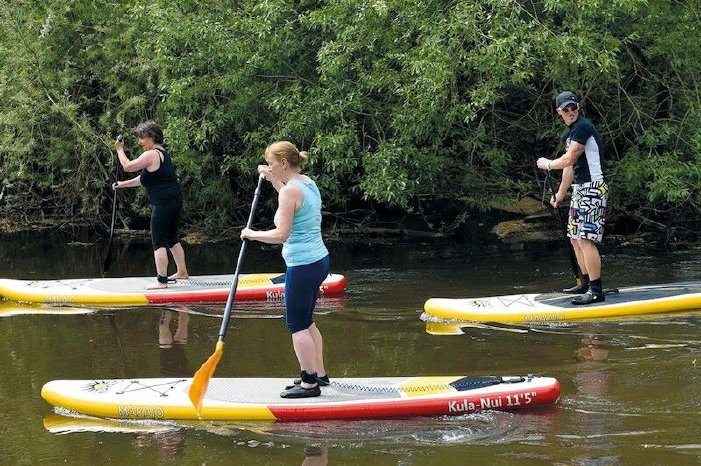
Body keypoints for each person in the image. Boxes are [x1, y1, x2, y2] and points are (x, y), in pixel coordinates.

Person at [241, 141, 330, 398]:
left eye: (271, 163)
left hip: (302, 265)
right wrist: (272, 180)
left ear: (282, 162)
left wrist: (252, 234)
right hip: (319, 261)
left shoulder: (290, 192)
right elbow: (290, 196)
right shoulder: (306, 183)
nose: (268, 167)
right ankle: (319, 374)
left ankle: (309, 384)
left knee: (296, 325)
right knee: (307, 321)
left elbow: (281, 234)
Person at [537, 91, 609, 305]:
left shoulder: (583, 127)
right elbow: (570, 166)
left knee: (586, 239)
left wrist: (548, 164)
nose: (570, 112)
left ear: (578, 107)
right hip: (580, 189)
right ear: (559, 112)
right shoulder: (569, 134)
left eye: (573, 108)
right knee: (575, 239)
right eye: (565, 110)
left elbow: (570, 156)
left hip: (594, 188)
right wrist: (559, 194)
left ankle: (596, 291)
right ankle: (585, 283)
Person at [113, 121, 189, 288]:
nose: (140, 142)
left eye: (142, 138)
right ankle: (182, 272)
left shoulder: (151, 154)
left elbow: (127, 166)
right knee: (171, 238)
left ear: (152, 137)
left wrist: (120, 150)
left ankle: (162, 282)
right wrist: (123, 185)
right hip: (174, 201)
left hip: (163, 203)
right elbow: (144, 179)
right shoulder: (163, 154)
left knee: (158, 241)